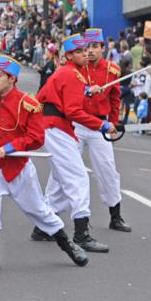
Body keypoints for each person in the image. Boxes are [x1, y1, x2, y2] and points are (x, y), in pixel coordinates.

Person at [0, 55, 88, 270]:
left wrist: (10, 148)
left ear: (12, 79)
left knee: (39, 211)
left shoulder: (29, 105)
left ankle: (68, 246)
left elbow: (37, 138)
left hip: (19, 166)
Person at [35, 34, 115, 253]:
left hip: (55, 127)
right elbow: (73, 111)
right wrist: (102, 125)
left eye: (87, 49)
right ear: (69, 55)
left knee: (62, 179)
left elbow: (40, 97)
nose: (86, 53)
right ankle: (81, 234)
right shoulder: (72, 75)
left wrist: (86, 91)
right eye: (80, 51)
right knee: (79, 178)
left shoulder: (66, 73)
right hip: (57, 128)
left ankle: (43, 227)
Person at [57, 28, 130, 232]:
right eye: (87, 47)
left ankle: (115, 216)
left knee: (107, 169)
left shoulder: (113, 70)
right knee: (63, 169)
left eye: (94, 47)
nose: (90, 51)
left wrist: (113, 123)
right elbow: (65, 87)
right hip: (77, 125)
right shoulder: (75, 68)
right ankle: (50, 216)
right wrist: (86, 90)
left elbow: (115, 100)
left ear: (102, 48)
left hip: (100, 126)